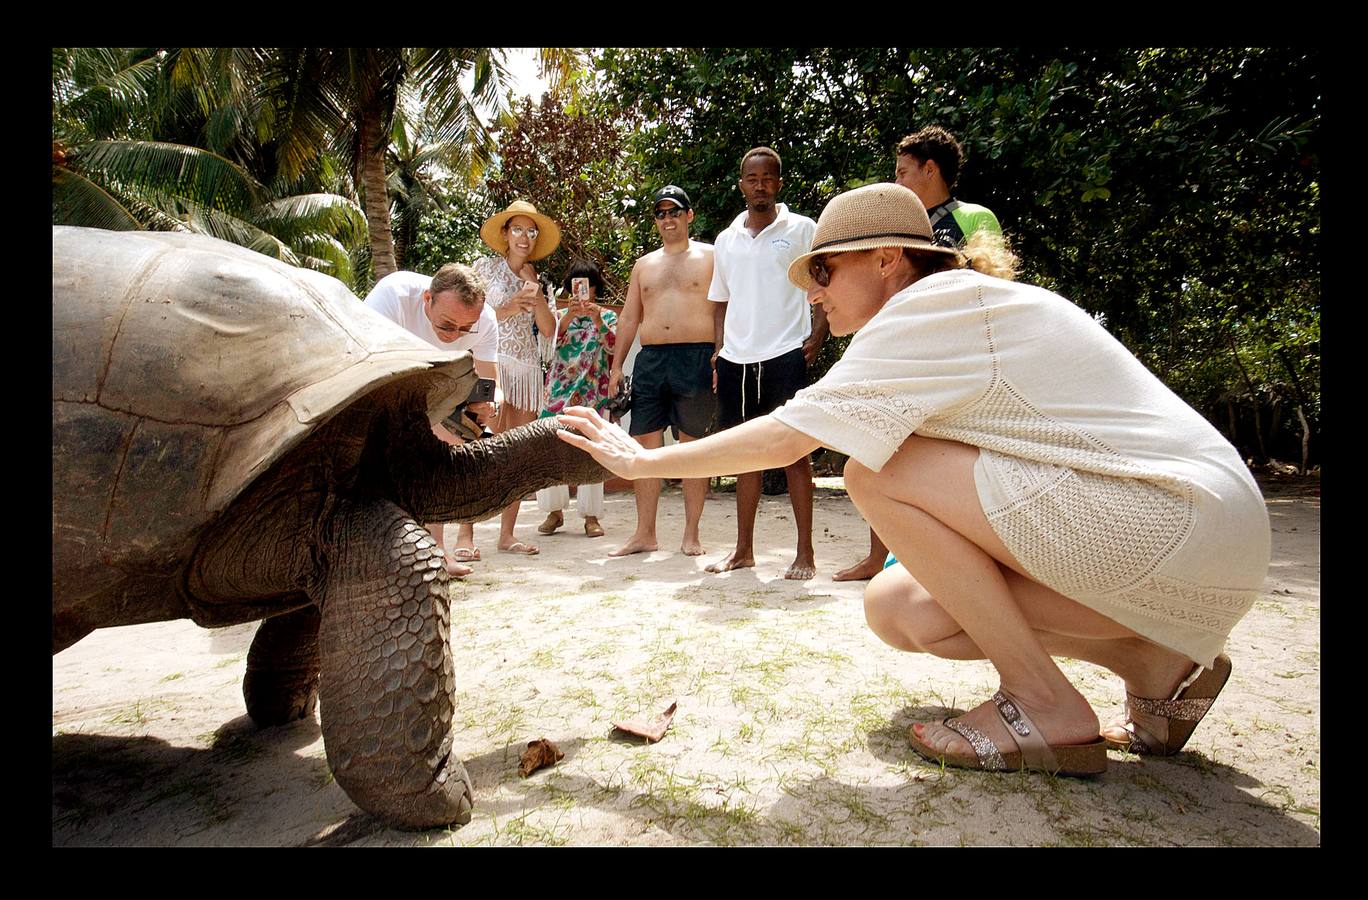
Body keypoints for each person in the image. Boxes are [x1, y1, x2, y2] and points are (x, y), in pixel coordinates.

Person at [557, 182, 1270, 777]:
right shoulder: (955, 313)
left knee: (876, 471)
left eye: (826, 272)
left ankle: (1042, 701)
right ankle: (1156, 661)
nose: (816, 296)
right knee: (902, 609)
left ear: (890, 258)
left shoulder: (932, 305)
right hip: (1202, 542)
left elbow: (789, 434)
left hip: (1172, 522)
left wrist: (642, 460)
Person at [836, 126, 1006, 583]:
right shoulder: (893, 225)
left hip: (952, 357)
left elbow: (994, 284)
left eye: (903, 173)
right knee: (878, 448)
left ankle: (950, 556)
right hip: (897, 353)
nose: (896, 183)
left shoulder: (975, 217)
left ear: (930, 170)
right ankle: (880, 557)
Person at [706, 147, 828, 580]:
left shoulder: (802, 229)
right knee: (745, 455)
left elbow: (823, 281)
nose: (760, 186)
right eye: (752, 178)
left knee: (794, 452)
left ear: (778, 183)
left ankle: (806, 554)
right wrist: (720, 348)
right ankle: (743, 551)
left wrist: (818, 330)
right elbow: (720, 301)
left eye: (768, 178)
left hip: (784, 354)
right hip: (738, 359)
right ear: (742, 185)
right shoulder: (725, 239)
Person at [363, 264, 498, 577]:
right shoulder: (392, 296)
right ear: (427, 299)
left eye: (465, 329)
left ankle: (436, 552)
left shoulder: (486, 320)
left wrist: (486, 406)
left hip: (442, 389)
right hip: (381, 377)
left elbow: (489, 380)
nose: (454, 336)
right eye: (448, 325)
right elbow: (365, 364)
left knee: (441, 452)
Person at [607, 185, 717, 558]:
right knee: (644, 446)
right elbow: (629, 316)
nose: (668, 219)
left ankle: (691, 533)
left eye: (675, 212)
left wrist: (722, 354)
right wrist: (616, 366)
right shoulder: (644, 265)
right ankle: (645, 533)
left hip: (697, 358)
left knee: (693, 446)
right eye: (661, 213)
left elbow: (725, 309)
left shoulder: (712, 257)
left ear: (689, 216)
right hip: (652, 360)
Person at [473, 200, 562, 555]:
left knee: (518, 454)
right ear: (506, 235)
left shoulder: (540, 280)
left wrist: (536, 292)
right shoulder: (483, 269)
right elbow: (472, 315)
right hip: (488, 364)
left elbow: (549, 329)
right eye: (518, 230)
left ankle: (506, 535)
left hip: (525, 371)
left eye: (531, 231)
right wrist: (510, 306)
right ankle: (465, 537)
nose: (524, 237)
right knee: (477, 446)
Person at [535, 259, 618, 539]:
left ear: (595, 288)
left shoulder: (607, 316)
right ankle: (554, 512)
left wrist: (596, 319)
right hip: (558, 392)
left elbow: (614, 347)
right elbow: (548, 344)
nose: (583, 291)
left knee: (592, 451)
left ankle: (591, 516)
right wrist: (568, 317)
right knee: (550, 450)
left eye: (588, 285)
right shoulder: (559, 315)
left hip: (593, 392)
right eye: (577, 285)